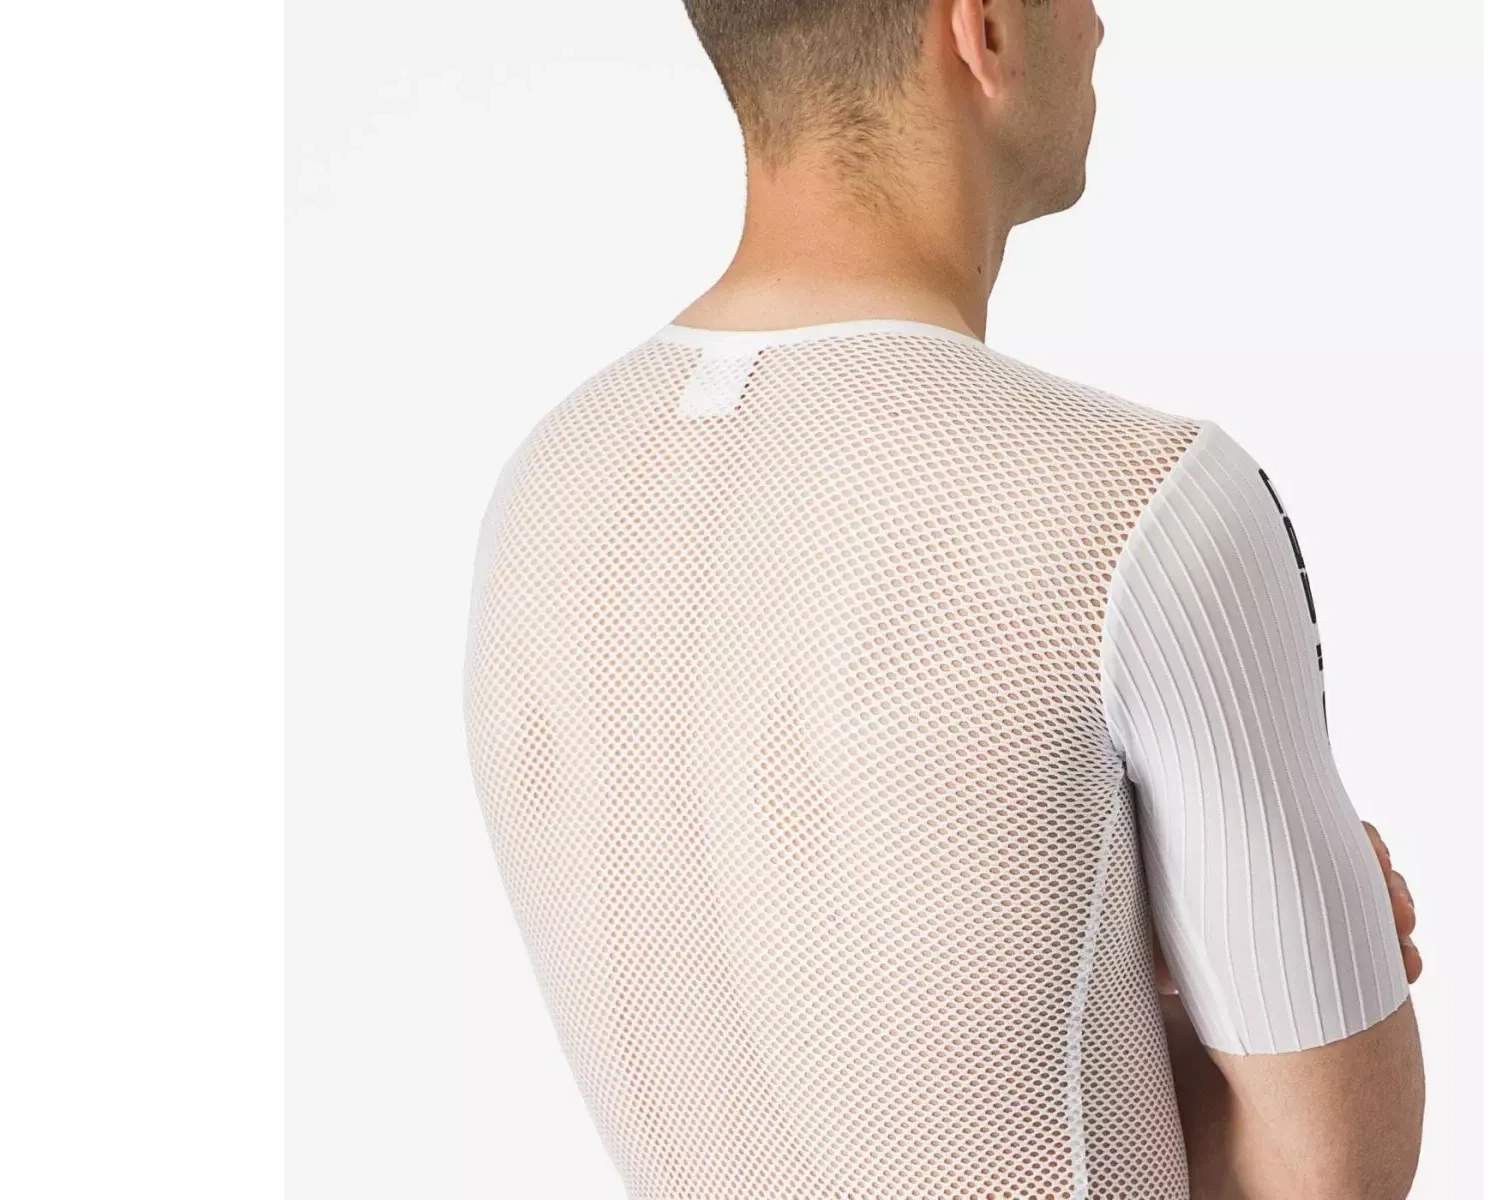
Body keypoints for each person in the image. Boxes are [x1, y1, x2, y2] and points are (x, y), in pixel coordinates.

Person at [460, 1, 1426, 1196]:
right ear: (981, 29)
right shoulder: (1137, 501)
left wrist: (1112, 970)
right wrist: (1239, 991)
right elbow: (1327, 1177)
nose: (1100, 24)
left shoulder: (546, 486)